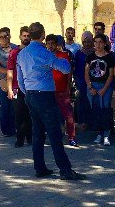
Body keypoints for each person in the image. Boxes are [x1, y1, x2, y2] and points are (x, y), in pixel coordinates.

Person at [16, 22, 86, 180]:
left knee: (38, 132)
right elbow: (66, 68)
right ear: (42, 35)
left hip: (30, 94)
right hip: (45, 95)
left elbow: (19, 79)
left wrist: (27, 92)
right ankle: (65, 170)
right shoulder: (45, 53)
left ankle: (39, 167)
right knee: (54, 133)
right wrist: (61, 55)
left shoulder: (22, 53)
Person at [84, 33, 115, 146]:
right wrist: (90, 86)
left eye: (100, 42)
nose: (98, 44)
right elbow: (86, 73)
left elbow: (111, 75)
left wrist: (105, 88)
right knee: (96, 109)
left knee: (105, 108)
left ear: (105, 43)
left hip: (105, 85)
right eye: (95, 42)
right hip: (93, 85)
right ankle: (99, 133)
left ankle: (107, 133)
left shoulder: (109, 57)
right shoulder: (90, 57)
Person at [46, 35, 76, 146]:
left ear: (57, 44)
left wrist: (68, 86)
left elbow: (68, 73)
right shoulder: (45, 56)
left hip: (62, 90)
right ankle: (55, 136)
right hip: (49, 90)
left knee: (68, 115)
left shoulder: (63, 56)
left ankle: (71, 137)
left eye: (52, 43)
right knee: (51, 115)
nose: (50, 46)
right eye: (48, 43)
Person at [6, 26, 32, 148]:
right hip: (17, 88)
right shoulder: (14, 53)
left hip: (31, 87)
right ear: (20, 37)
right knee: (19, 114)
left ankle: (30, 137)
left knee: (31, 114)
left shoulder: (33, 52)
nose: (26, 38)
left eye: (28, 36)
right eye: (24, 36)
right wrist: (10, 89)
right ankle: (20, 139)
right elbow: (10, 71)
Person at [0, 27, 17, 137]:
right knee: (5, 104)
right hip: (3, 79)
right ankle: (6, 129)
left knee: (15, 105)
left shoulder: (15, 47)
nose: (4, 39)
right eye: (1, 37)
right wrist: (9, 72)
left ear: (9, 36)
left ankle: (15, 127)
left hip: (14, 79)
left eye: (5, 36)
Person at [73, 31, 94, 130]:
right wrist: (77, 81)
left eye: (89, 41)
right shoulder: (78, 53)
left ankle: (92, 122)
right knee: (82, 102)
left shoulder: (95, 53)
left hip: (93, 81)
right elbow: (76, 68)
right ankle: (82, 122)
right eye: (85, 42)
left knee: (92, 102)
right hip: (81, 81)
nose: (87, 44)